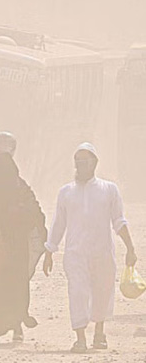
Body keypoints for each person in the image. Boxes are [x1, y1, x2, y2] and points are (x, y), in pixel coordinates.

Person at [43, 142, 138, 353]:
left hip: (102, 252)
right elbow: (59, 223)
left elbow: (119, 221)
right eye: (77, 162)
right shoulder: (66, 192)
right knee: (77, 291)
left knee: (102, 291)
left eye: (84, 162)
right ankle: (80, 338)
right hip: (75, 254)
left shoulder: (109, 189)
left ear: (94, 163)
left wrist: (130, 248)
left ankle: (99, 333)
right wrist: (50, 250)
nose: (80, 166)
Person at [0, 151, 46, 345]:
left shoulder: (19, 187)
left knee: (15, 287)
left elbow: (35, 212)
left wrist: (16, 215)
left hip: (16, 247)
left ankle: (16, 326)